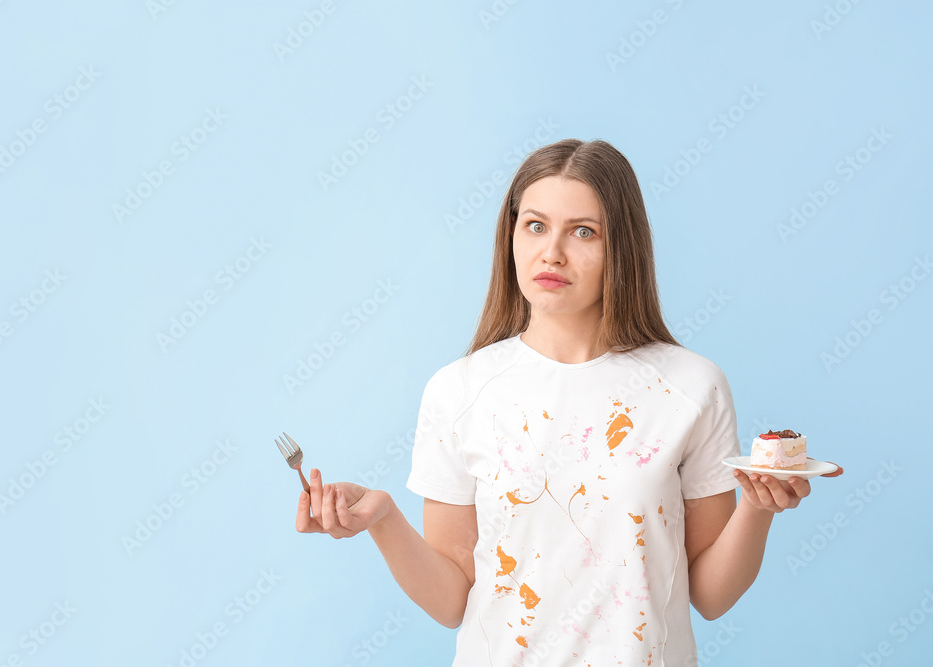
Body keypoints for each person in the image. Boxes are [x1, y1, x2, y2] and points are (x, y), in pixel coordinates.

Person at [294, 138, 843, 666]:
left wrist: (757, 509)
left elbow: (710, 596)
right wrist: (383, 519)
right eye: (534, 226)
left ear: (621, 247)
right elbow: (451, 602)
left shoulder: (691, 385)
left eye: (583, 231)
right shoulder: (457, 390)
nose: (551, 252)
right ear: (510, 236)